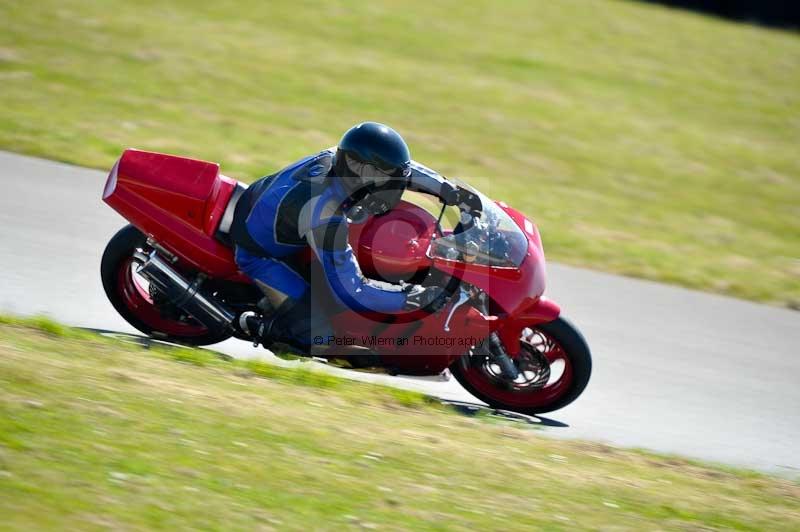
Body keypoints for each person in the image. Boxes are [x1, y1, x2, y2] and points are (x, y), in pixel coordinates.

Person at [229, 122, 481, 350]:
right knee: (318, 334)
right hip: (260, 252)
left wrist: (449, 190)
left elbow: (401, 169)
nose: (393, 184)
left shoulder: (344, 158)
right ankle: (257, 326)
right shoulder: (324, 211)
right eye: (385, 178)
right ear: (359, 171)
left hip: (276, 214)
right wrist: (413, 298)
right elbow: (352, 290)